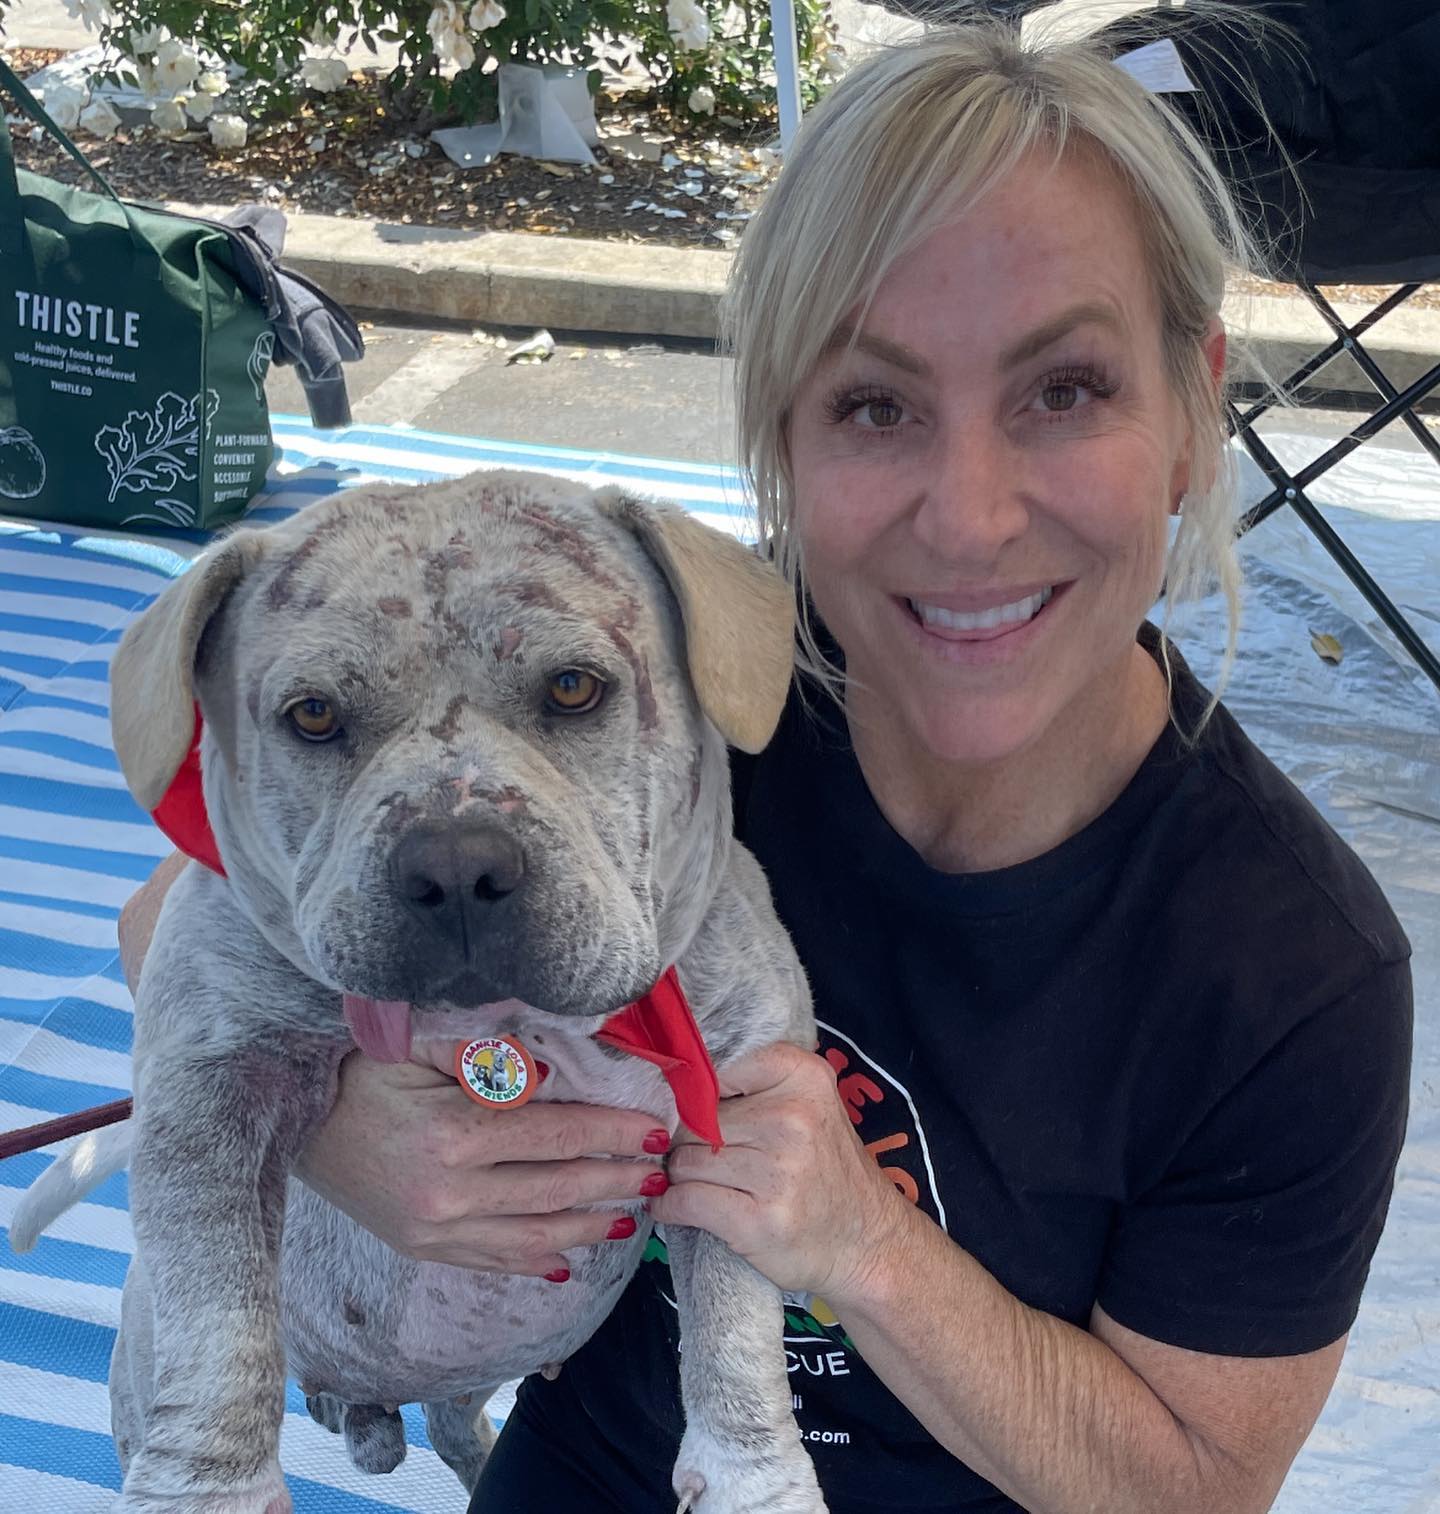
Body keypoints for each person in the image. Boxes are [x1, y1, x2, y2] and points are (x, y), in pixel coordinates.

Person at [119, 19, 1413, 1514]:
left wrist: (862, 1242)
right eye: (876, 404)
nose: (972, 513)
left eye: (1064, 389)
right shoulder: (682, 684)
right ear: (782, 444)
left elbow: (1189, 1484)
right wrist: (344, 1134)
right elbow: (176, 920)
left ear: (1194, 411)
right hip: (603, 1454)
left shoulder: (1292, 973)